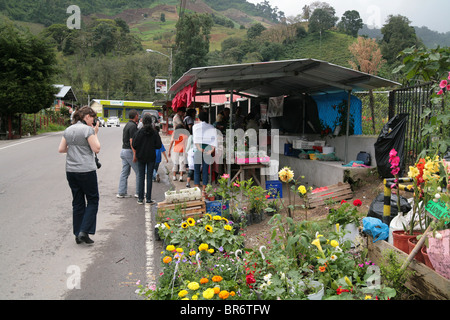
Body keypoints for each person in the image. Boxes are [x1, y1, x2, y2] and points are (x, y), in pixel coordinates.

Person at [58, 106, 101, 245]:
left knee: (77, 202)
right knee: (93, 200)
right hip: (86, 170)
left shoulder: (68, 129)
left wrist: (75, 148)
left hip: (71, 170)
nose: (93, 121)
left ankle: (78, 234)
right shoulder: (88, 130)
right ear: (86, 116)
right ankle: (84, 231)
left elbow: (61, 149)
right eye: (92, 117)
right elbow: (96, 148)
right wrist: (95, 133)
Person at [132, 113, 162, 204]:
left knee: (141, 176)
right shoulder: (154, 132)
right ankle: (148, 199)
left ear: (143, 121)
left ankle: (140, 199)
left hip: (141, 157)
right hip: (151, 157)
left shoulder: (139, 132)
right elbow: (159, 145)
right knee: (149, 177)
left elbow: (134, 144)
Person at [193, 111, 217, 195]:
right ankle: (203, 191)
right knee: (205, 170)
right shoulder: (211, 127)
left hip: (197, 150)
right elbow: (214, 140)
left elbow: (195, 139)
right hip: (208, 149)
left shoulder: (195, 126)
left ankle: (196, 190)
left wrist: (199, 148)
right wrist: (211, 150)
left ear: (199, 118)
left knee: (196, 169)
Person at [117, 110, 140, 198]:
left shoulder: (127, 125)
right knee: (138, 171)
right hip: (129, 151)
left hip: (123, 150)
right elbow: (132, 141)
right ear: (135, 116)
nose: (138, 116)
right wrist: (135, 154)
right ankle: (138, 192)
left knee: (124, 172)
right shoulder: (133, 126)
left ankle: (121, 192)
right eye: (137, 115)